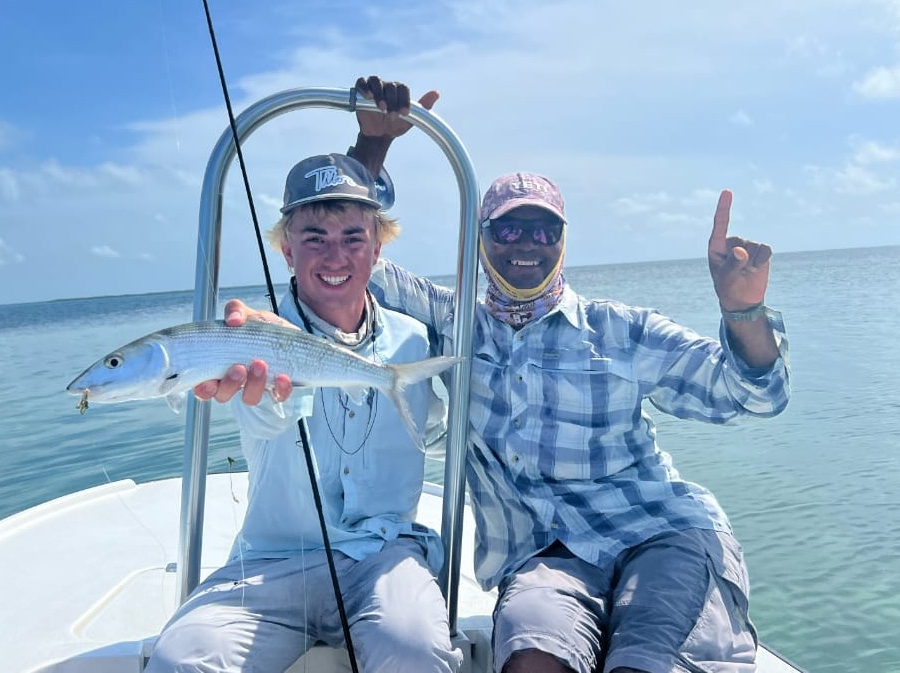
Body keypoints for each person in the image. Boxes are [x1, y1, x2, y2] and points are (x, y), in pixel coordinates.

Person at [222, 77, 791, 673]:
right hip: (544, 559)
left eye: (544, 230)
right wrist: (373, 146)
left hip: (660, 533)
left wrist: (742, 311)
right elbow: (345, 255)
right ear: (483, 240)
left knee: (646, 662)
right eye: (509, 229)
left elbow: (748, 394)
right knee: (530, 661)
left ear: (563, 244)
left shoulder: (619, 328)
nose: (528, 244)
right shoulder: (452, 319)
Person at [145, 151, 463, 672]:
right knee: (181, 661)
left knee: (417, 653)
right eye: (314, 237)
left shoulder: (413, 341)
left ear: (378, 248)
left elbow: (434, 430)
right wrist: (273, 389)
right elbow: (267, 421)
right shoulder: (250, 338)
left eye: (352, 238)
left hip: (382, 553)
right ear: (287, 251)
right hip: (271, 561)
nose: (334, 256)